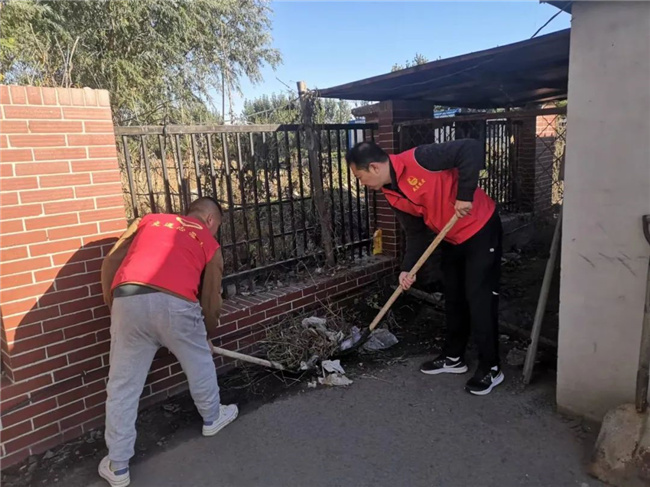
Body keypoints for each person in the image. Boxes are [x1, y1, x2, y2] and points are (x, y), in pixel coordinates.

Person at [98, 197, 237, 487]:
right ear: (210, 220)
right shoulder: (207, 241)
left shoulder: (148, 221)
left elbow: (112, 260)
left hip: (127, 298)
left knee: (123, 385)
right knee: (199, 364)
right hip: (177, 303)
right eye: (216, 227)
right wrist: (204, 335)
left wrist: (117, 304)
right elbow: (211, 297)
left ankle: (118, 465)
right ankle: (213, 418)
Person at [346, 140, 503, 396]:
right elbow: (415, 233)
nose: (362, 183)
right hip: (450, 237)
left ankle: (491, 367)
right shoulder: (391, 193)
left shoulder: (420, 159)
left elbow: (470, 149)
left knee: (479, 299)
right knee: (454, 298)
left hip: (480, 229)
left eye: (360, 177)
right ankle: (454, 358)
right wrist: (407, 269)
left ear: (374, 167)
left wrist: (465, 195)